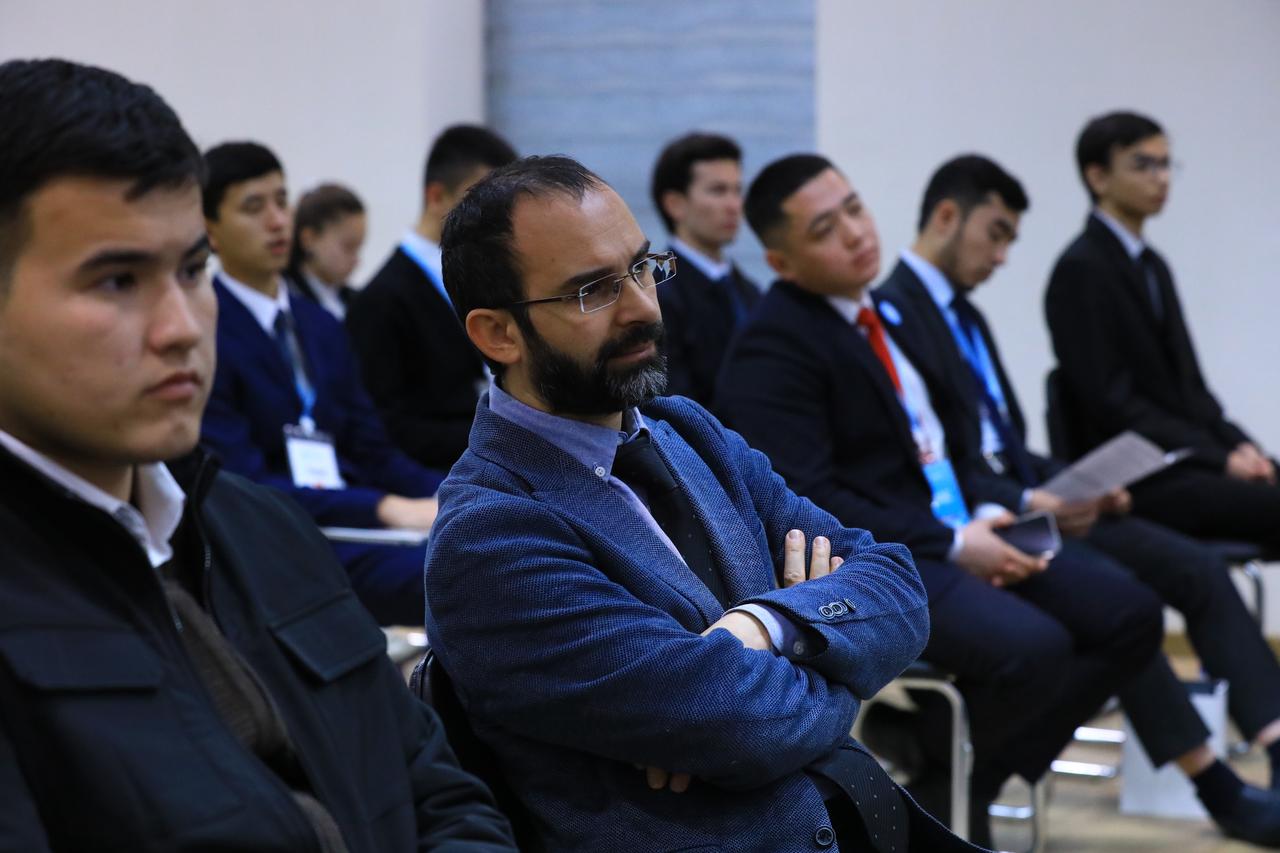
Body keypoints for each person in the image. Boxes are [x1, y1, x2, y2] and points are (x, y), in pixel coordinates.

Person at [0, 57, 514, 851]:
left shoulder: (259, 529)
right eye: (116, 281)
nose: (181, 326)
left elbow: (441, 794)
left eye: (191, 270)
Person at [425, 155, 982, 852]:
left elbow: (898, 588)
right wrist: (834, 662)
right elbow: (748, 726)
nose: (642, 308)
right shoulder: (491, 534)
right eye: (593, 291)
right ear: (497, 333)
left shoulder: (687, 430)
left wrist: (762, 627)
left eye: (641, 268)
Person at [716, 153, 1165, 848]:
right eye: (825, 229)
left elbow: (948, 446)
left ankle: (947, 769)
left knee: (1129, 613)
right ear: (782, 262)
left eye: (855, 208)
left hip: (958, 528)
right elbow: (809, 499)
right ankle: (954, 778)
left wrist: (986, 513)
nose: (857, 233)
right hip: (885, 554)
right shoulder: (773, 347)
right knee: (1036, 649)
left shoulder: (887, 312)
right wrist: (956, 543)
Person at [876, 152, 1280, 845]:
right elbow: (945, 464)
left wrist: (1078, 483)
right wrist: (1031, 495)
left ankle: (1272, 742)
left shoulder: (964, 316)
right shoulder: (893, 316)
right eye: (995, 234)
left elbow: (1004, 441)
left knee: (1194, 569)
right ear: (947, 216)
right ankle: (1212, 782)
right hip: (982, 519)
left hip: (1031, 503)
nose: (1002, 257)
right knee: (1119, 602)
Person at [200, 141, 443, 626]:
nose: (277, 221)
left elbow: (374, 450)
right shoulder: (203, 332)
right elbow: (242, 485)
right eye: (254, 207)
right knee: (463, 576)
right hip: (284, 541)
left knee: (492, 541)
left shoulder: (321, 325)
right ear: (210, 231)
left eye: (281, 201)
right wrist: (384, 508)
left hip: (359, 525)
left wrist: (455, 494)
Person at [1045, 110, 1280, 548]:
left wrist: (1243, 448)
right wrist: (1219, 458)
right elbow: (1113, 403)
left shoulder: (1154, 266)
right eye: (1143, 165)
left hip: (1187, 461)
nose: (1162, 178)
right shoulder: (1081, 269)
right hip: (1137, 478)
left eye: (1166, 164)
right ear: (1098, 177)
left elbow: (1192, 389)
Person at [347, 125, 518, 470]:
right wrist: (502, 437)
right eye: (483, 203)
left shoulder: (497, 279)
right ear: (437, 197)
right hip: (440, 481)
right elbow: (386, 427)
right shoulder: (381, 301)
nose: (498, 221)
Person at [649, 131, 761, 406]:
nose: (734, 205)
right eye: (718, 190)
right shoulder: (659, 295)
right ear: (675, 204)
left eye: (738, 190)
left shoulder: (750, 291)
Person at [286, 182, 366, 320]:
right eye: (348, 247)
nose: (356, 260)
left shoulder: (356, 302)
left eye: (358, 249)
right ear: (309, 239)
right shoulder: (286, 297)